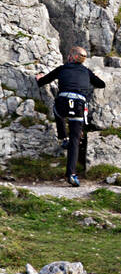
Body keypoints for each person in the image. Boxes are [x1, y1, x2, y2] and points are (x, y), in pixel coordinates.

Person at [36, 46, 106, 187]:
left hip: (63, 102)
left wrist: (39, 77)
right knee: (75, 140)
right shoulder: (86, 71)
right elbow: (101, 84)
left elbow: (42, 81)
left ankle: (63, 137)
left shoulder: (62, 69)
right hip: (79, 105)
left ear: (72, 57)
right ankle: (71, 175)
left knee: (57, 110)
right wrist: (94, 77)